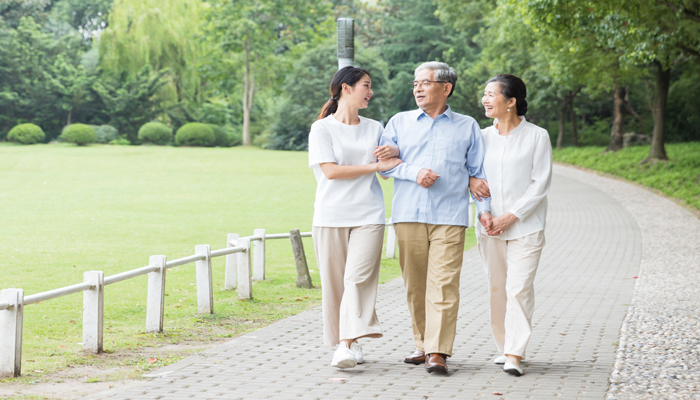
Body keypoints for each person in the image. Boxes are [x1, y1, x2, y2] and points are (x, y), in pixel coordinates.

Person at [377, 61, 490, 374]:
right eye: (415, 84)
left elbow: (478, 174)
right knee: (415, 285)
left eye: (424, 83)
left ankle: (438, 351)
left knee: (443, 284)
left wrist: (484, 212)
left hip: (450, 216)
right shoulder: (399, 122)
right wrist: (414, 172)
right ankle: (423, 344)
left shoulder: (467, 126)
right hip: (407, 214)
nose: (417, 89)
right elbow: (384, 165)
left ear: (445, 87)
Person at [308, 66, 402, 369]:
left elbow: (386, 171)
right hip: (330, 215)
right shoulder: (321, 128)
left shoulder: (375, 127)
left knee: (357, 279)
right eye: (366, 85)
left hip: (368, 214)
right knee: (335, 284)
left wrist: (392, 153)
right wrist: (374, 167)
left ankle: (346, 345)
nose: (370, 92)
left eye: (370, 86)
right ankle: (349, 343)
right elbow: (331, 171)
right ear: (345, 88)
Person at [471, 74, 553, 377]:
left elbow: (540, 184)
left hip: (526, 227)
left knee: (518, 288)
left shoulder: (537, 136)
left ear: (511, 101)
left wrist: (511, 216)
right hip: (489, 226)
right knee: (497, 289)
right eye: (485, 93)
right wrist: (485, 213)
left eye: (492, 94)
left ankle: (515, 353)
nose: (486, 99)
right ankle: (503, 346)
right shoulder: (480, 137)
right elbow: (475, 180)